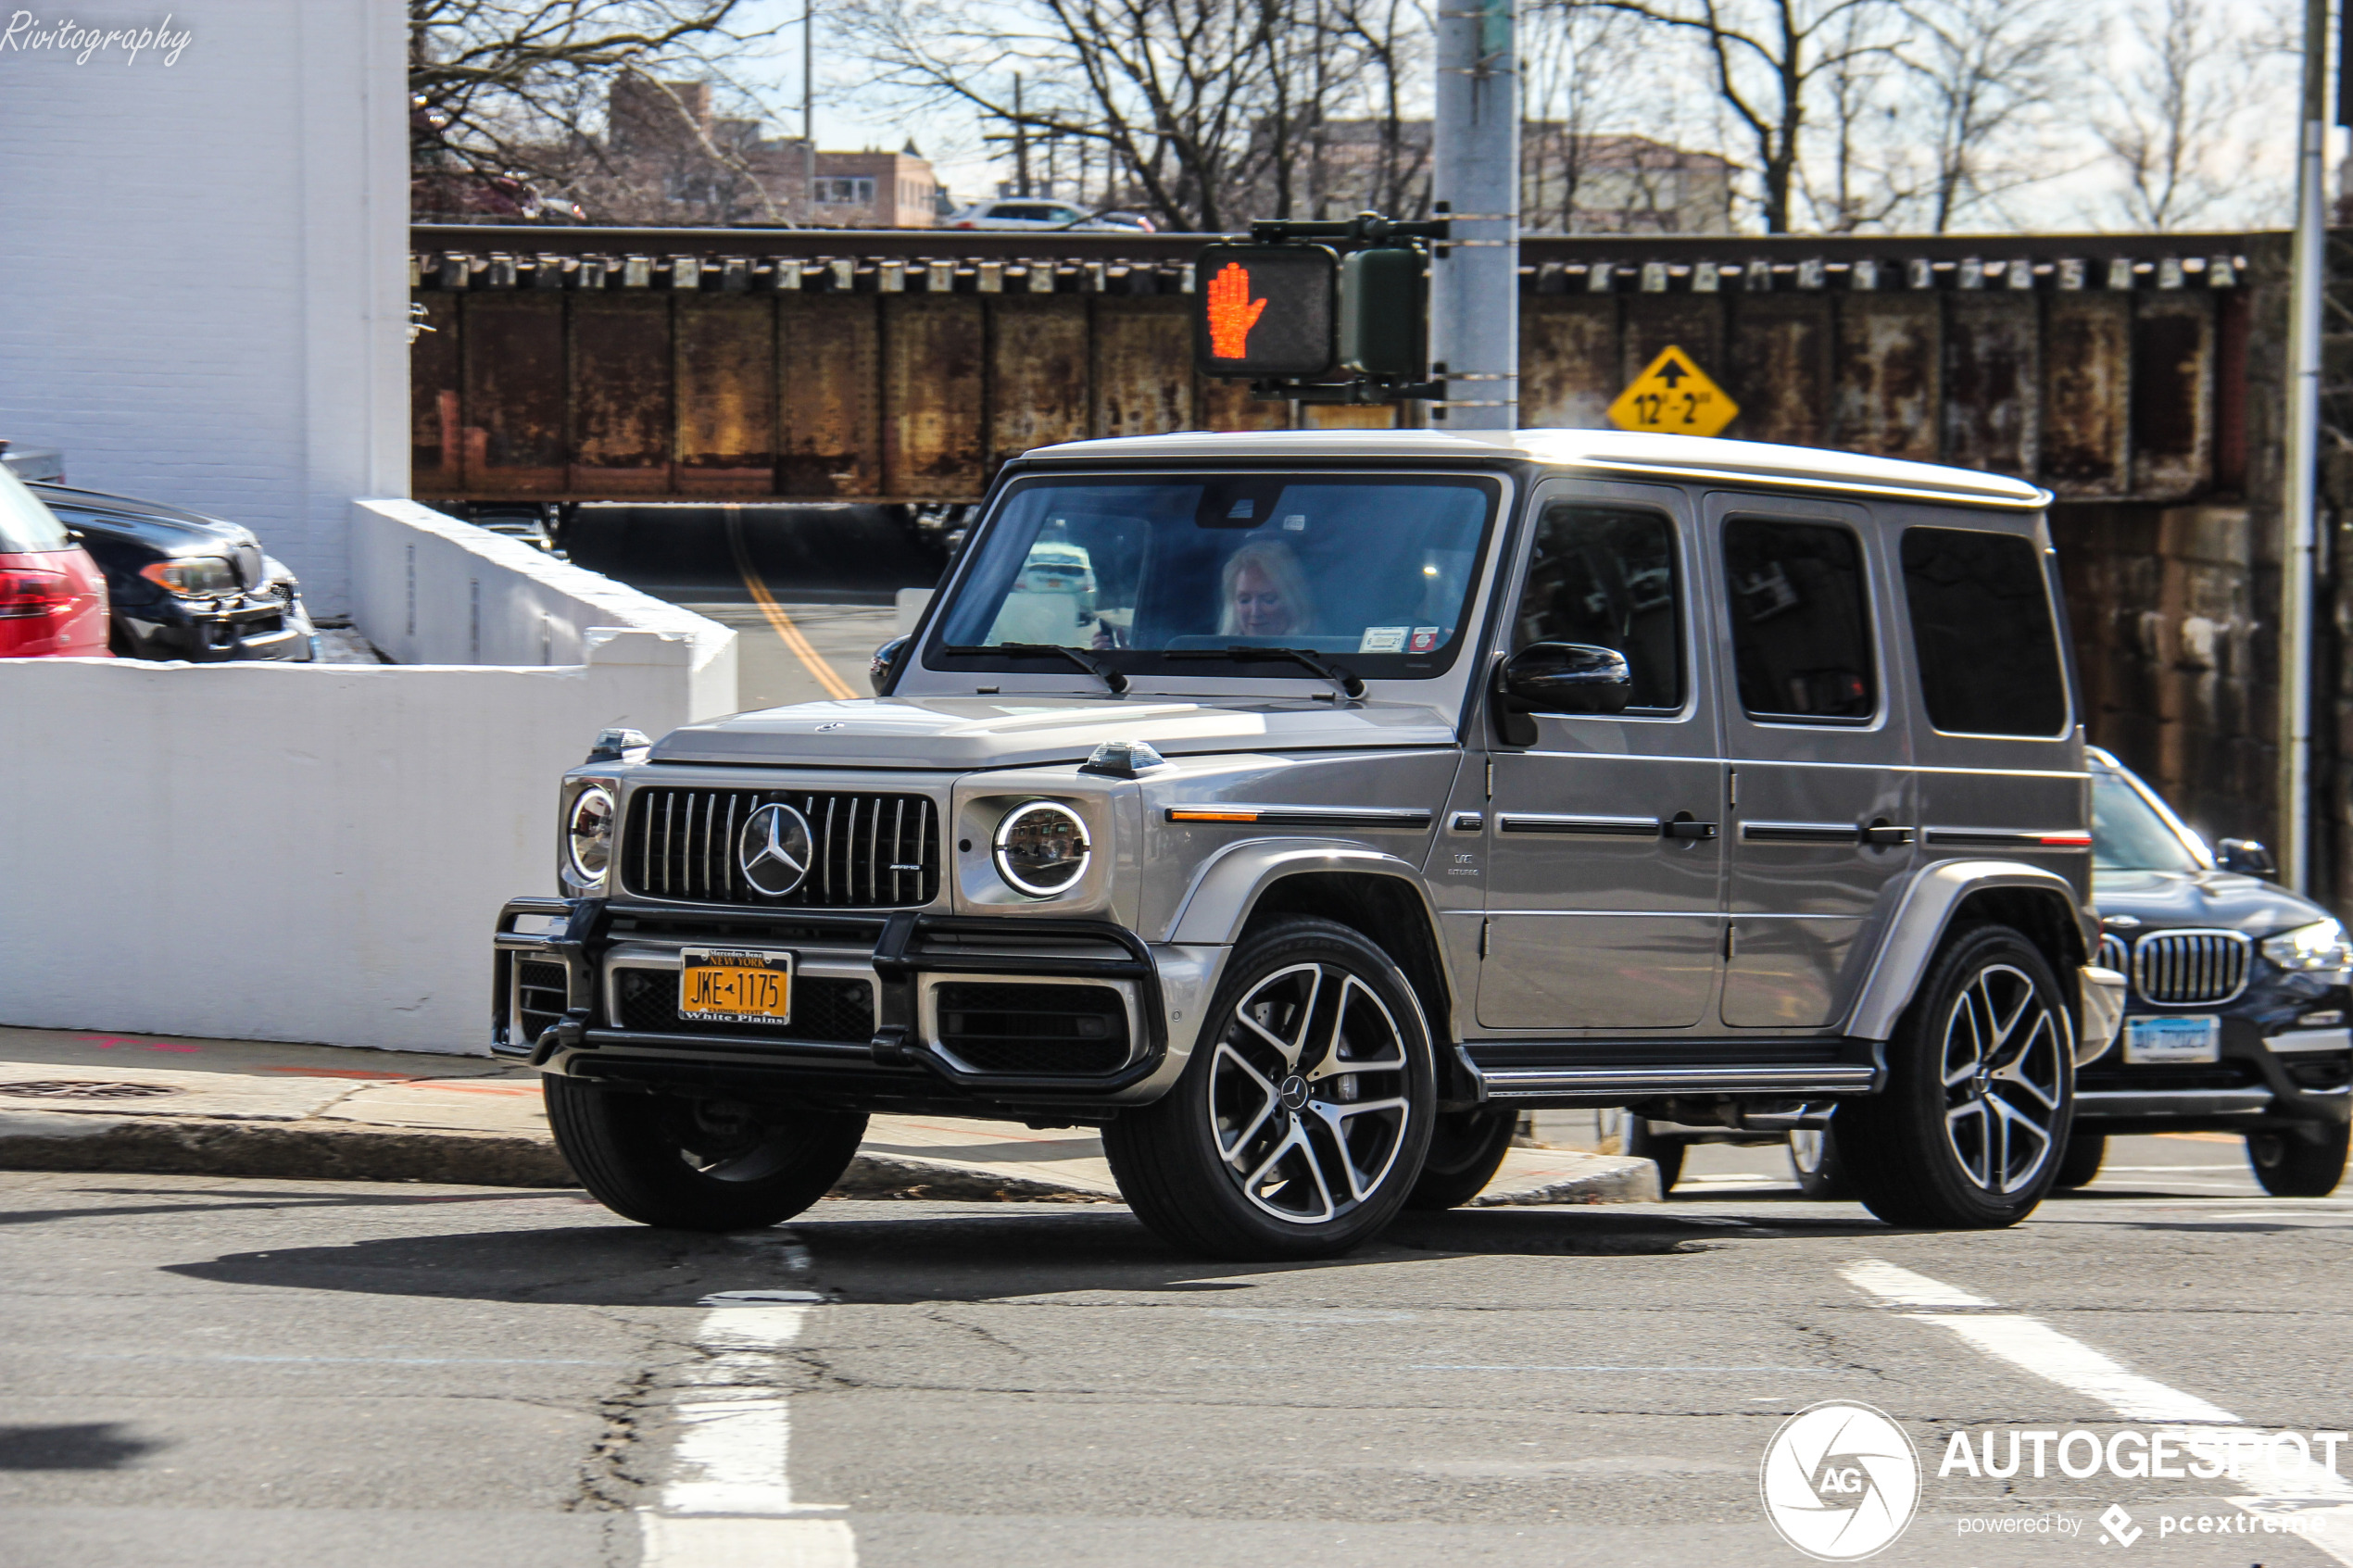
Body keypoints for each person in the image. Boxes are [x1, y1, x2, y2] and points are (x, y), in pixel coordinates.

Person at [1219, 539, 1315, 638]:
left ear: (1292, 602)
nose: (1255, 612)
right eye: (1245, 600)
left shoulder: (1324, 650)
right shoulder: (1213, 651)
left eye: (1269, 600)